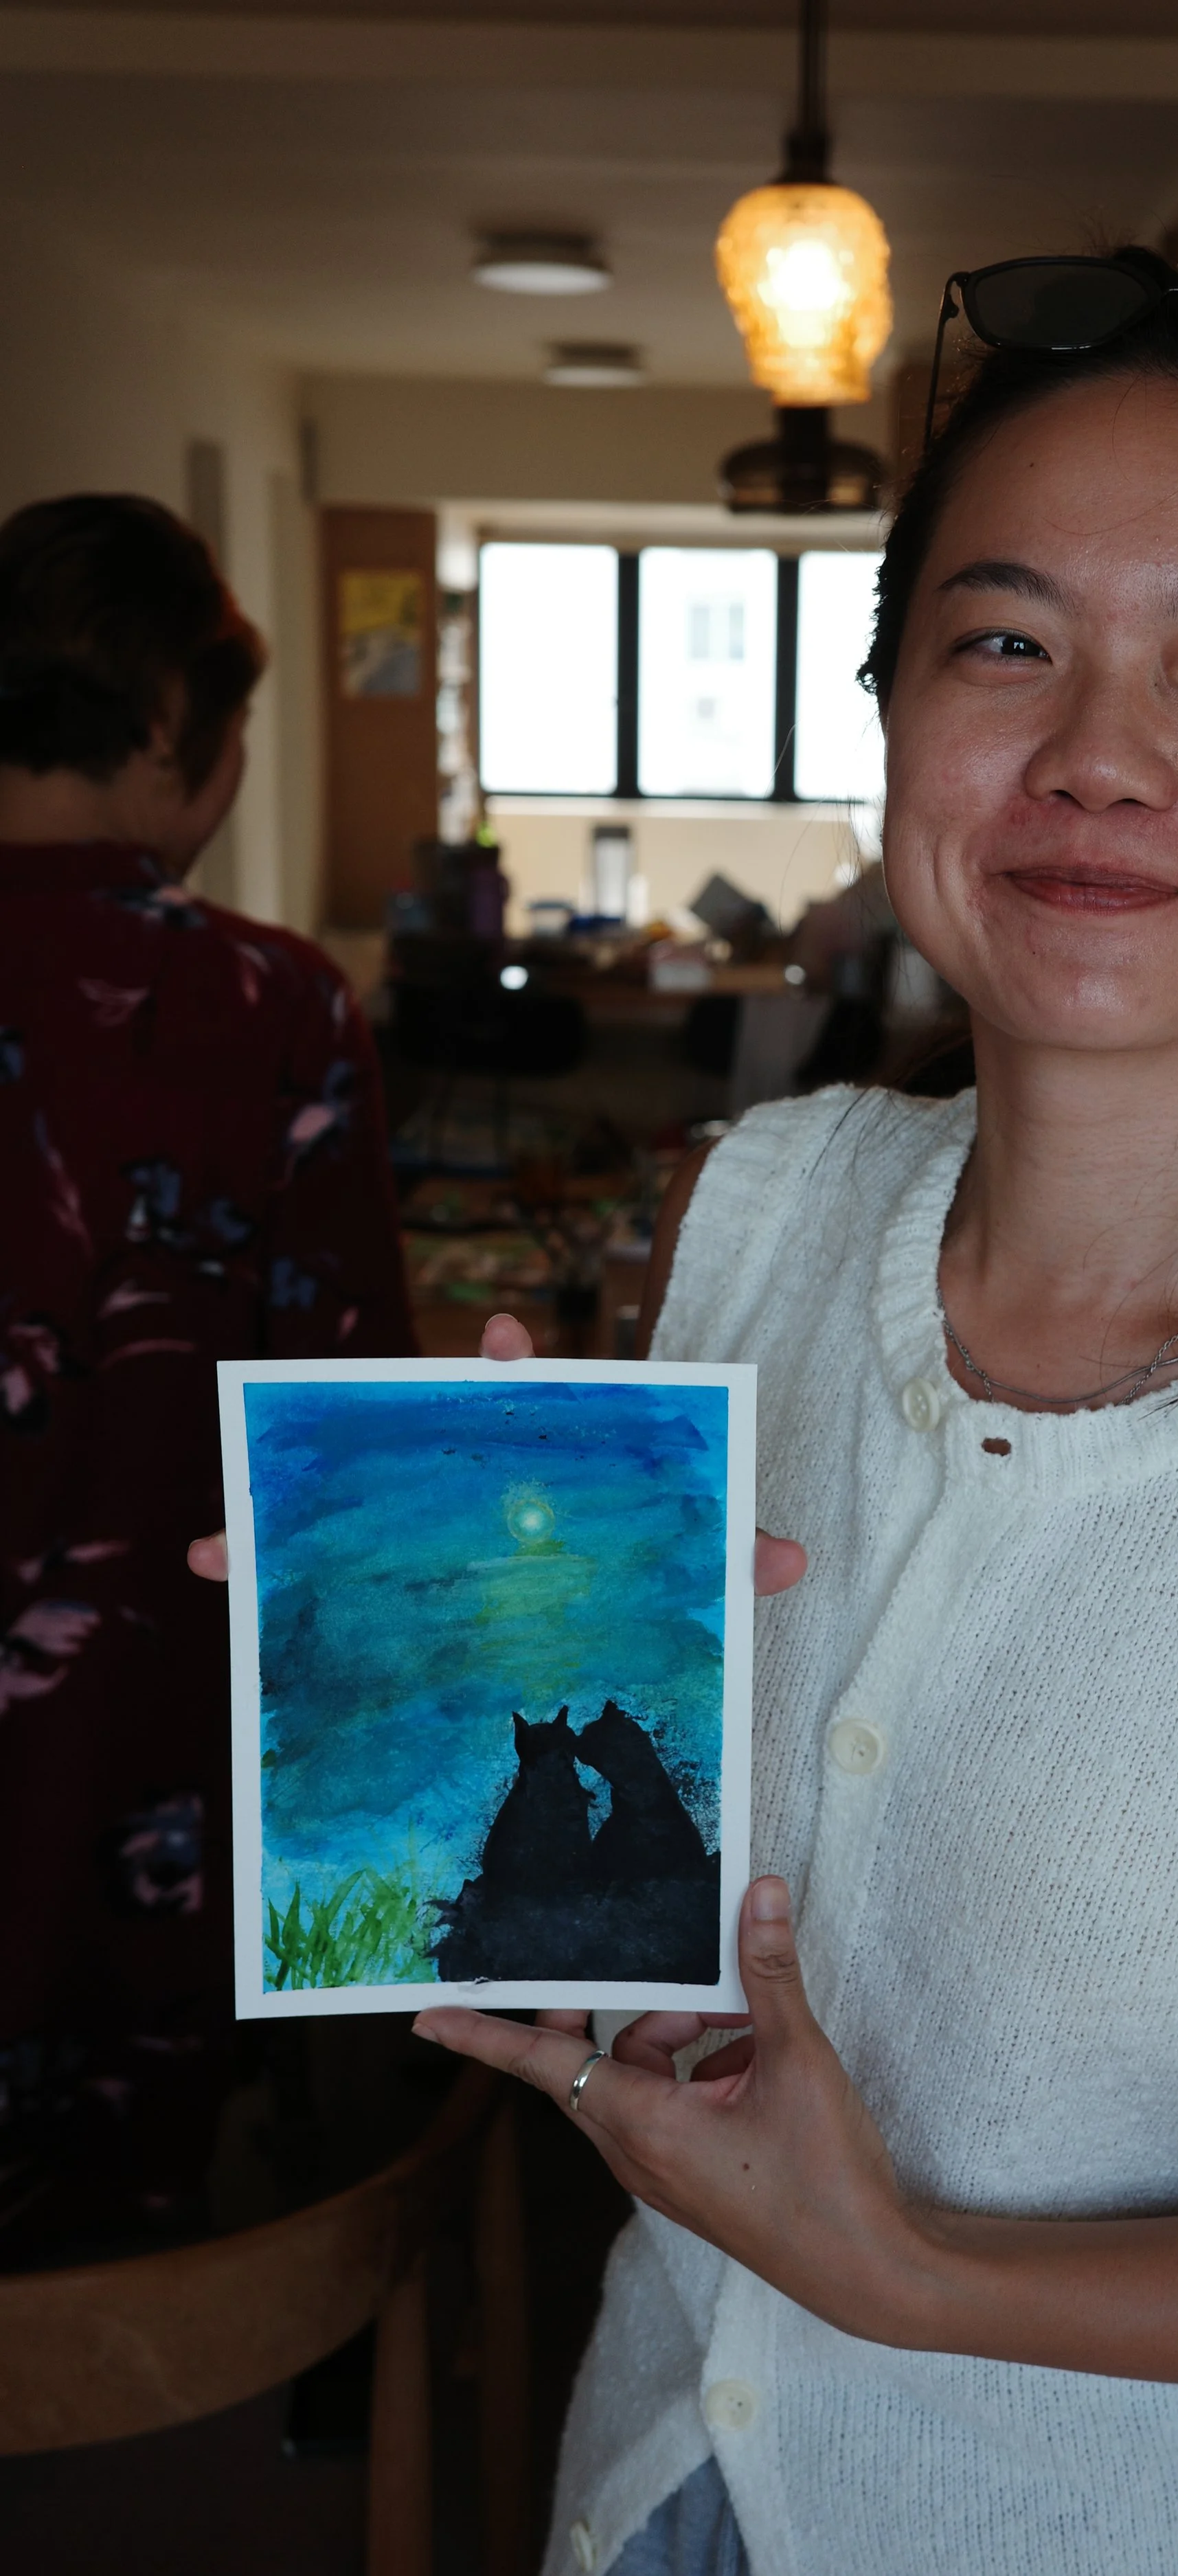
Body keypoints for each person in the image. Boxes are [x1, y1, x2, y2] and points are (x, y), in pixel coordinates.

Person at [207, 253, 1178, 2575]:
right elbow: (665, 1895)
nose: (1102, 750)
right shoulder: (757, 1219)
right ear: (889, 717)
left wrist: (917, 2273)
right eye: (1007, 642)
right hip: (672, 2478)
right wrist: (422, 1658)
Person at [0, 493, 414, 2246]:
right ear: (174, 723)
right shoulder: (266, 1004)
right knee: (122, 2276)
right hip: (140, 1765)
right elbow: (353, 1443)